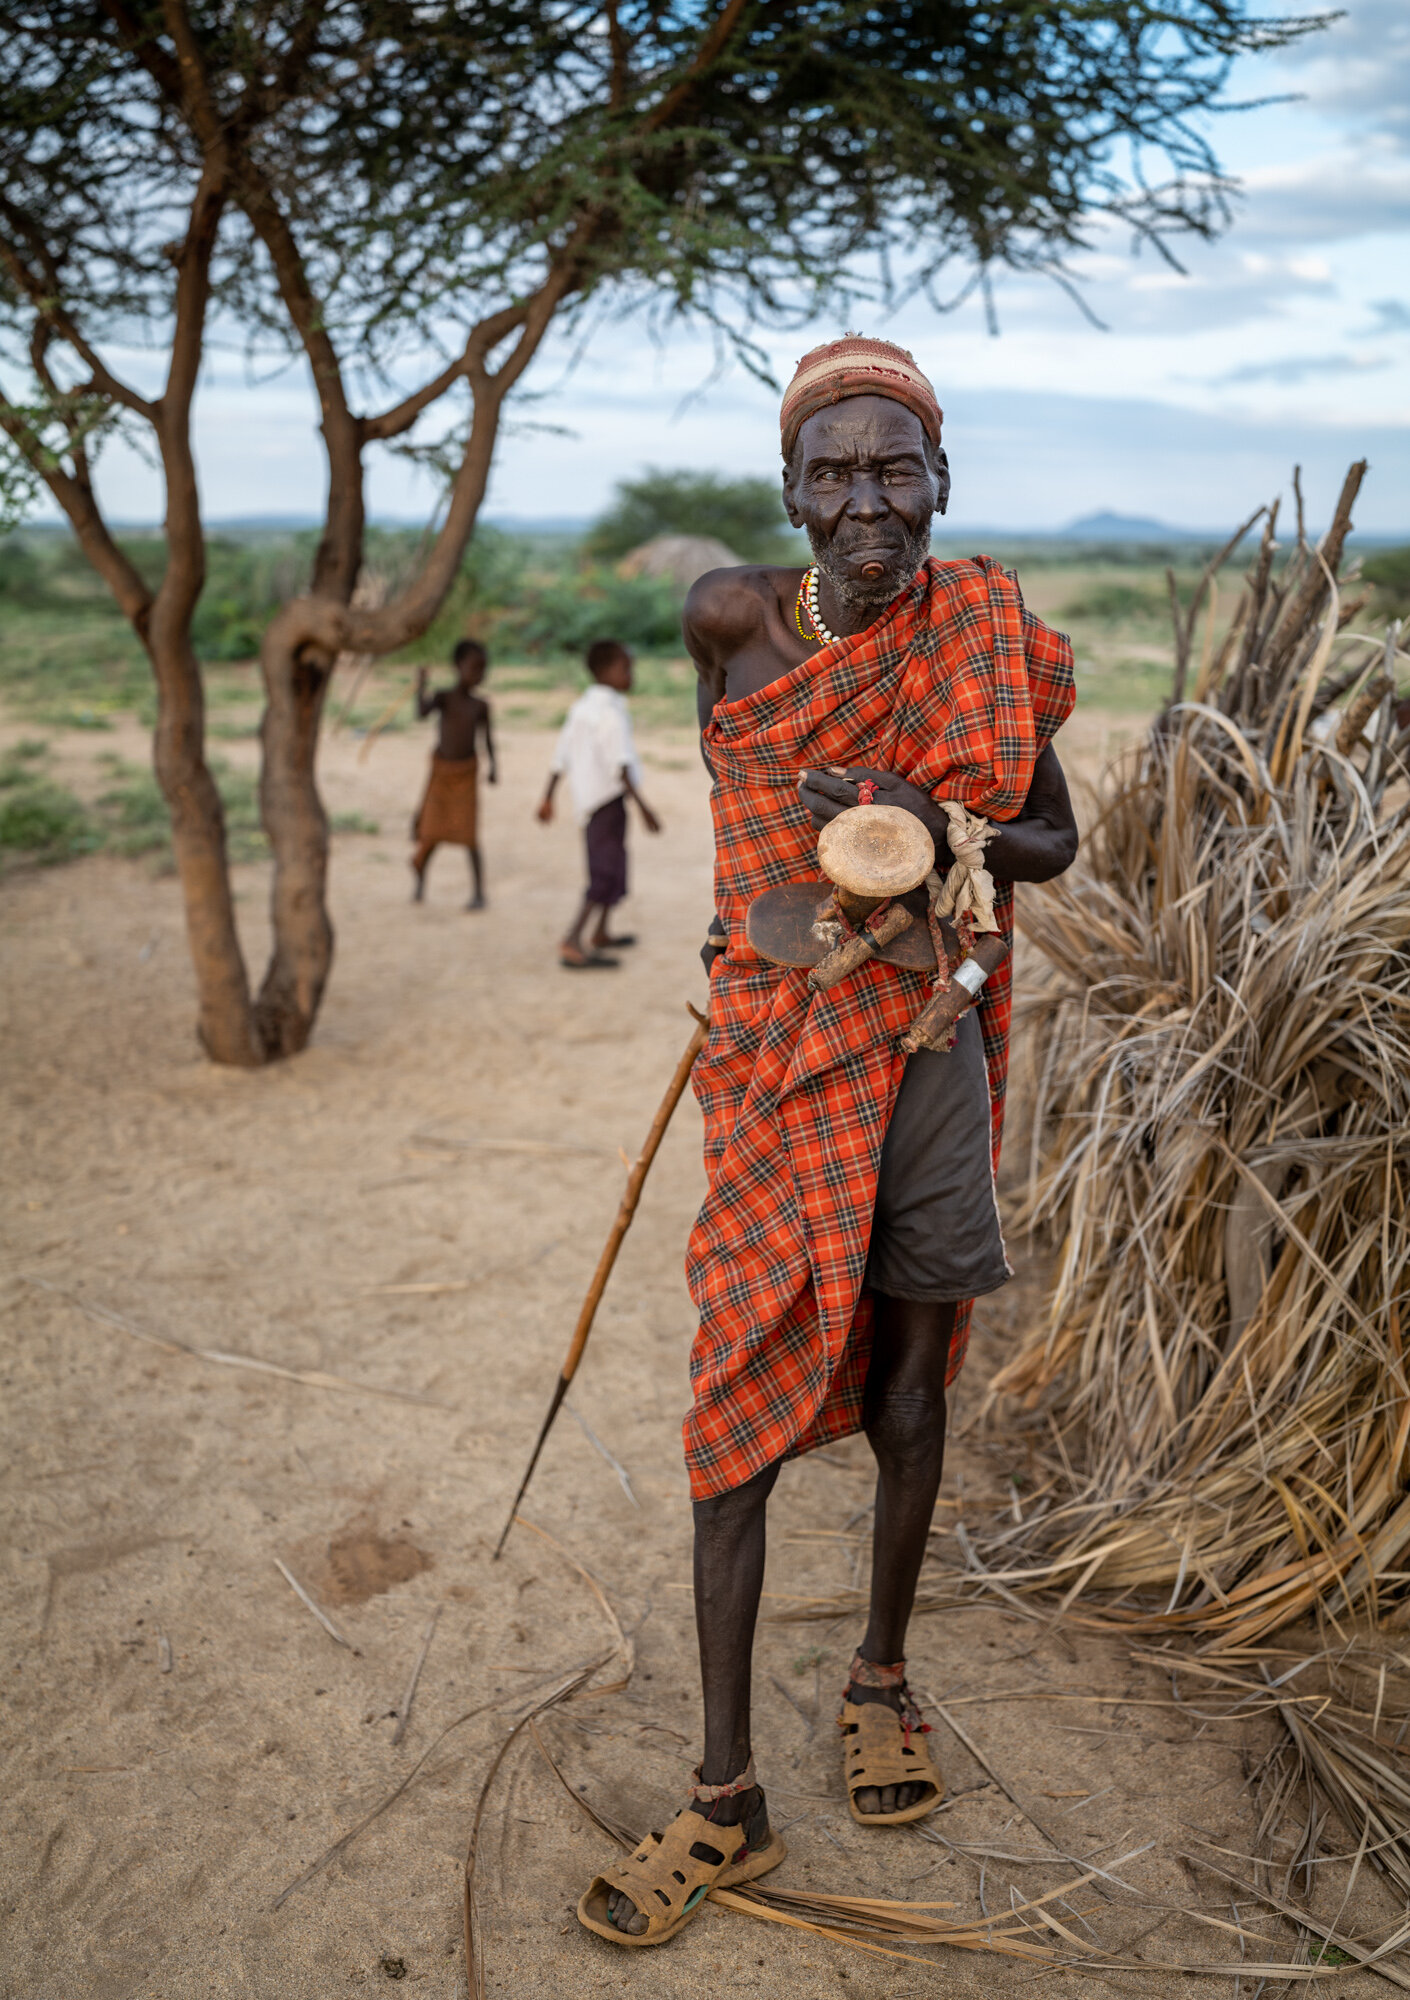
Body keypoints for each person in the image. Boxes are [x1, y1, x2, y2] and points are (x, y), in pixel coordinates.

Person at [577, 337, 1080, 1948]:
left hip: (926, 1041)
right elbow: (743, 812)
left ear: (942, 481)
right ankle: (725, 1799)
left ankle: (879, 1674)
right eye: (835, 474)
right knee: (738, 1386)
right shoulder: (728, 616)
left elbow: (1051, 840)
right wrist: (747, 944)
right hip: (777, 1049)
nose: (869, 503)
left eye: (897, 470)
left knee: (912, 1383)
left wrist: (938, 828)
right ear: (788, 492)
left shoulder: (985, 634)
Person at [537, 639, 661, 969]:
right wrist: (645, 808)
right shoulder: (609, 714)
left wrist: (548, 796)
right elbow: (620, 768)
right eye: (626, 668)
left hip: (593, 803)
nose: (631, 675)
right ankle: (572, 939)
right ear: (605, 671)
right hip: (607, 803)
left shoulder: (582, 708)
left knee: (614, 864)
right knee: (605, 872)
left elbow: (560, 755)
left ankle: (601, 932)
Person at [411, 639, 496, 908]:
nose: (479, 675)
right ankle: (420, 883)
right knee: (431, 833)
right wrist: (420, 685)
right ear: (458, 667)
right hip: (441, 773)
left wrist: (494, 767)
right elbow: (421, 713)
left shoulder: (481, 706)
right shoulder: (443, 698)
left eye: (483, 669)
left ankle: (479, 893)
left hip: (466, 774)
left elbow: (488, 739)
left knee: (469, 834)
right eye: (474, 668)